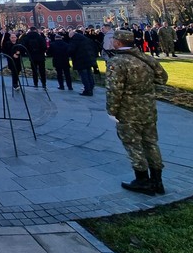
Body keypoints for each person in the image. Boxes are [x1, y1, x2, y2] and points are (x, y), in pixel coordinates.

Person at [106, 29, 169, 195]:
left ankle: (142, 180)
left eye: (114, 40)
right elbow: (162, 78)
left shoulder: (118, 62)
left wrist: (111, 111)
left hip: (128, 110)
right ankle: (157, 181)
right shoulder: (146, 58)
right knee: (151, 143)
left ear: (118, 42)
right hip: (148, 108)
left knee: (133, 144)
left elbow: (114, 90)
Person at [68, 26, 98, 96]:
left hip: (80, 60)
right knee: (89, 73)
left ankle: (87, 90)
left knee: (84, 75)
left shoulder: (74, 40)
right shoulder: (85, 39)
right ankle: (91, 86)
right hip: (88, 59)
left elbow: (71, 50)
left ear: (72, 35)